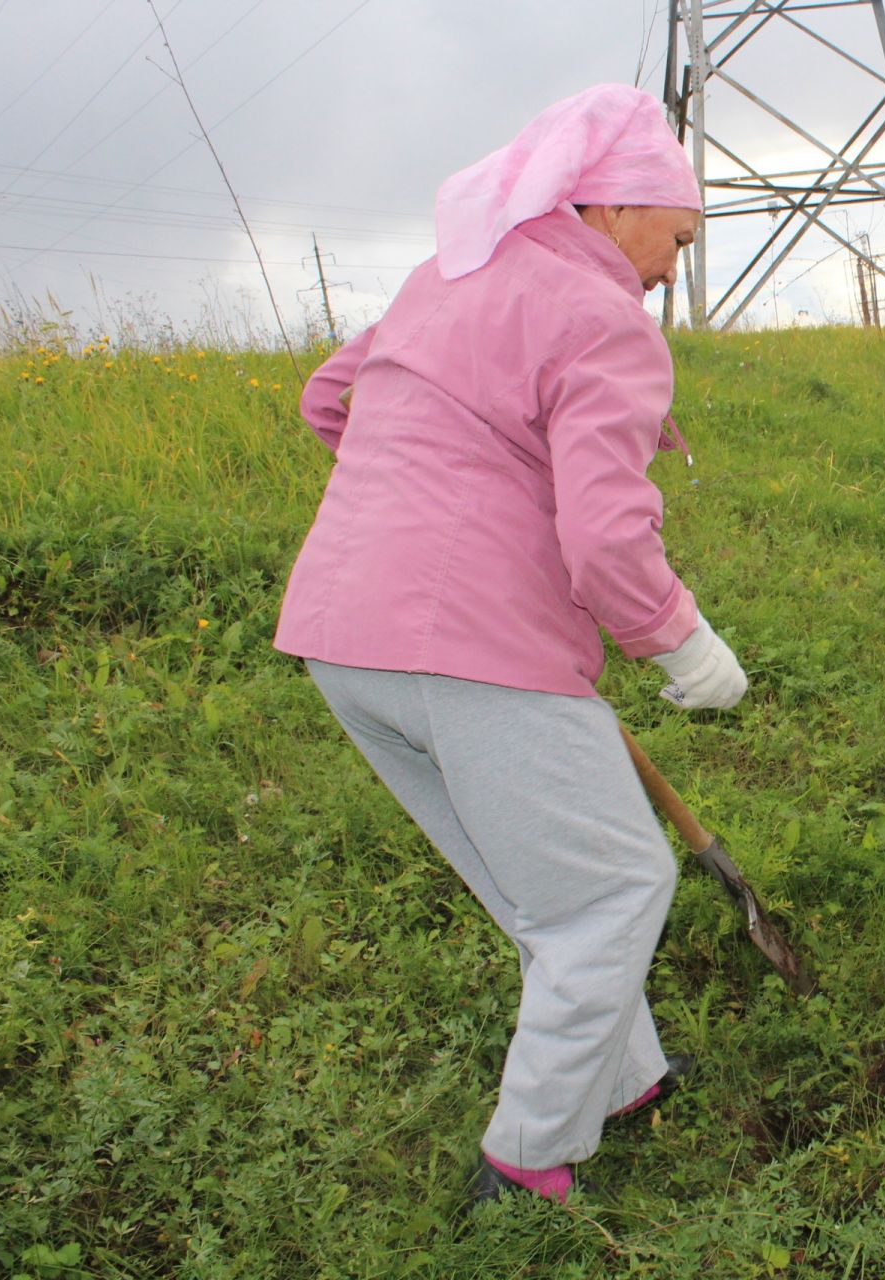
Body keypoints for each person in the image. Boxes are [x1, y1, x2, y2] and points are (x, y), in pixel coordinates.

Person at [275, 85, 748, 1206]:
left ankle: (623, 1075)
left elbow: (328, 399)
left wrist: (429, 494)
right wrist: (681, 642)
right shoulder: (601, 320)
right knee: (616, 885)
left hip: (347, 636)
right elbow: (601, 533)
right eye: (675, 239)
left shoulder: (450, 272)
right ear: (613, 204)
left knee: (543, 886)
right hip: (471, 645)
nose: (671, 271)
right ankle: (527, 1155)